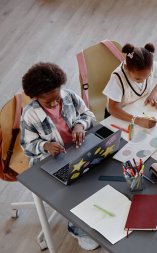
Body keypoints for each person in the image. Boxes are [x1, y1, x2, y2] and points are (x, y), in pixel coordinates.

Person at [20, 62, 99, 250]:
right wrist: (45, 146)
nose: (55, 103)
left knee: (96, 174)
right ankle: (76, 228)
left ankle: (93, 214)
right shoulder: (30, 115)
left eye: (57, 98)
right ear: (36, 97)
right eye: (49, 102)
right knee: (73, 190)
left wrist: (80, 125)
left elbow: (88, 115)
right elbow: (27, 146)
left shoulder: (69, 96)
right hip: (48, 161)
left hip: (76, 149)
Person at [103, 42, 157, 128]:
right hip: (119, 116)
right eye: (138, 79)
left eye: (147, 76)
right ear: (126, 68)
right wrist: (136, 120)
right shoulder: (117, 79)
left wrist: (155, 93)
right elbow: (112, 109)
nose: (143, 81)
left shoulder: (150, 66)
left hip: (138, 109)